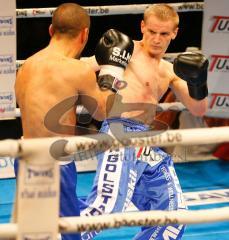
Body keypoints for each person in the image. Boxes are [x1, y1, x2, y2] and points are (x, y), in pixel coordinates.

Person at [81, 4, 209, 240]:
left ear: (174, 33)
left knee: (173, 218)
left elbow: (198, 109)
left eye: (163, 34)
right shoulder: (124, 52)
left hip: (146, 143)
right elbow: (80, 69)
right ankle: (52, 233)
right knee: (105, 210)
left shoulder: (169, 70)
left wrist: (199, 83)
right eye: (151, 32)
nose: (156, 39)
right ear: (142, 27)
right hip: (118, 132)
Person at [14, 3, 134, 240]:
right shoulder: (76, 70)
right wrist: (114, 69)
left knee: (35, 233)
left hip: (24, 157)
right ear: (84, 34)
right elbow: (102, 113)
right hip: (54, 165)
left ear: (50, 30)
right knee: (68, 235)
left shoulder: (26, 67)